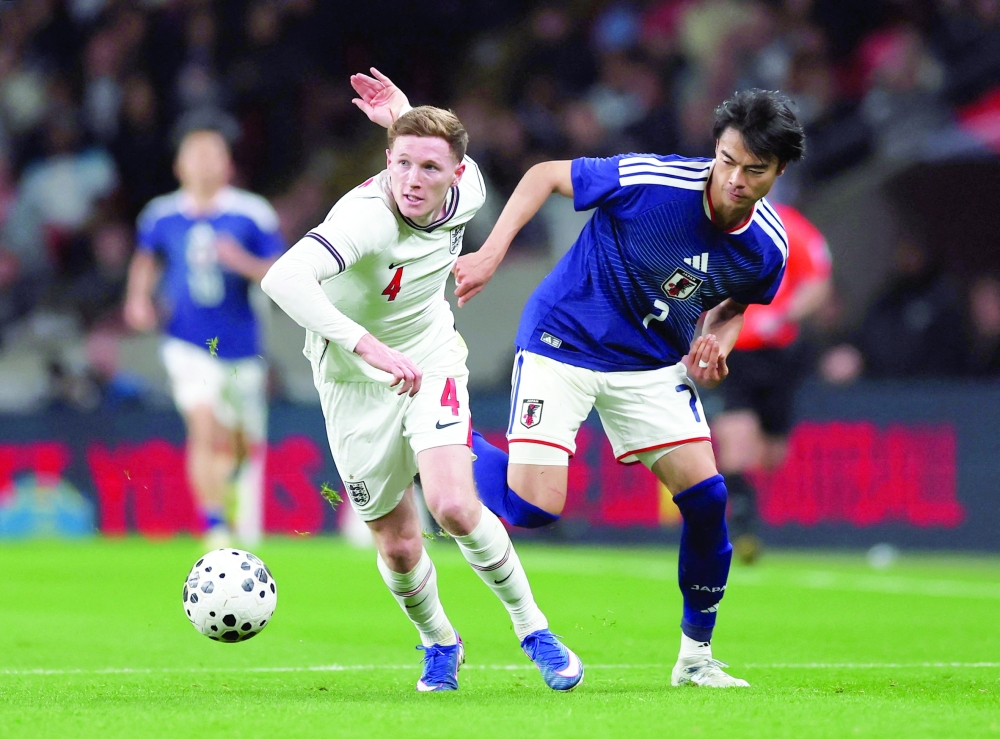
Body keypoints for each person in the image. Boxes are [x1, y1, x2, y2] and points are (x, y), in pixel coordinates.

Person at [454, 89, 805, 688]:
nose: (736, 179)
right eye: (727, 160)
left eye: (755, 169)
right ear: (714, 150)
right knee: (532, 509)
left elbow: (735, 305)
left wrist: (720, 335)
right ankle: (443, 443)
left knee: (708, 500)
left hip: (648, 365)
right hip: (564, 338)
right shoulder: (654, 180)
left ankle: (695, 658)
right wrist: (489, 253)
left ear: (778, 171)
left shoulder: (768, 248)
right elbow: (544, 175)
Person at [260, 69, 583, 694]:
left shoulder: (474, 194)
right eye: (401, 164)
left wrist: (407, 115)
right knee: (400, 547)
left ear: (457, 178)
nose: (412, 181)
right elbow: (282, 280)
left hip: (430, 356)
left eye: (430, 169)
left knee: (456, 505)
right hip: (354, 377)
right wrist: (365, 344)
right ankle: (441, 642)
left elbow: (434, 151)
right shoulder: (365, 218)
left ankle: (534, 631)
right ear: (385, 162)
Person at [124, 128, 284, 547]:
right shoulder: (160, 214)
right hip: (187, 341)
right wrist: (138, 300)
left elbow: (281, 270)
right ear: (179, 165)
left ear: (227, 164)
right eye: (194, 154)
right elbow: (146, 260)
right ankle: (213, 524)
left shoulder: (252, 213)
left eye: (212, 154)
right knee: (202, 424)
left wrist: (242, 262)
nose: (203, 162)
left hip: (240, 343)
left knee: (238, 442)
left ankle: (228, 494)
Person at [710, 203, 833, 564]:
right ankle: (744, 532)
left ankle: (746, 513)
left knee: (772, 456)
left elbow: (817, 282)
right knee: (735, 443)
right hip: (735, 352)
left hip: (779, 355)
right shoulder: (718, 227)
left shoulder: (790, 228)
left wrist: (783, 314)